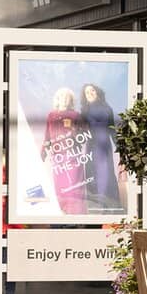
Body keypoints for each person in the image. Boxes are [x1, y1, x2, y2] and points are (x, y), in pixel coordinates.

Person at [41, 87, 88, 215]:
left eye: (67, 97)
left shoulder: (76, 115)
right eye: (61, 96)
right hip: (58, 157)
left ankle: (76, 215)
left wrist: (75, 132)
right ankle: (61, 214)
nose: (64, 99)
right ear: (57, 99)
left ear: (71, 101)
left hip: (73, 156)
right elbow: (47, 136)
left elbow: (85, 134)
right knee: (60, 186)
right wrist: (42, 152)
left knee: (74, 186)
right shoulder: (51, 115)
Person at [80, 83, 121, 212]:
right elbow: (80, 131)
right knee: (94, 174)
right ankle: (97, 207)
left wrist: (121, 149)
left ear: (97, 91)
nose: (90, 93)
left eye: (92, 90)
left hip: (105, 145)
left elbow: (112, 129)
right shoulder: (84, 111)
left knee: (107, 174)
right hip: (92, 145)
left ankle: (110, 206)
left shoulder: (107, 107)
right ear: (85, 97)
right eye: (87, 92)